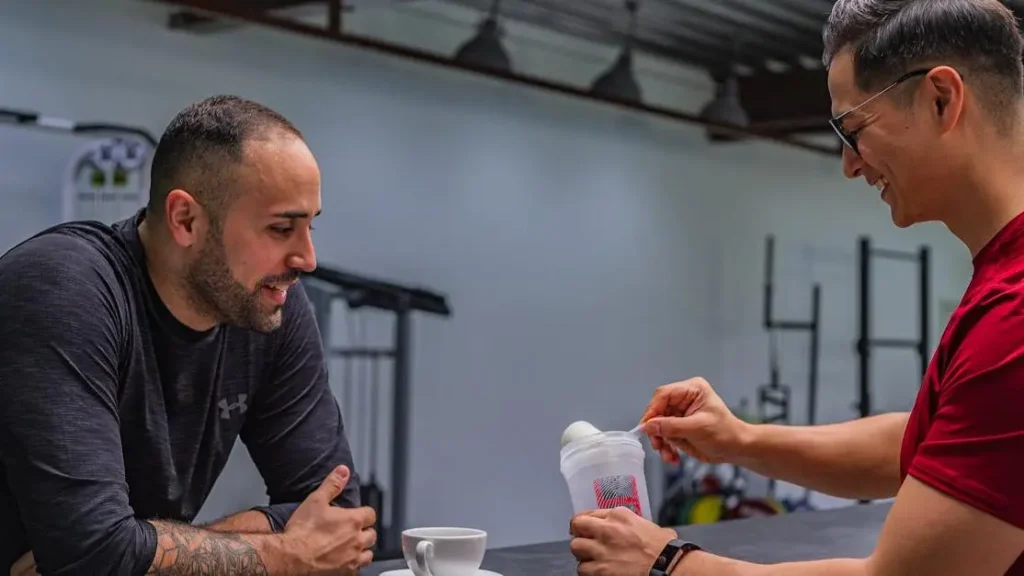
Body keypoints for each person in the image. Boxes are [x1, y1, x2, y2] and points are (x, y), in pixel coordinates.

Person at [570, 0, 1024, 574]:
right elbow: (925, 442)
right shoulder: (1003, 283)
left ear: (941, 99)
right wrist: (739, 439)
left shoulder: (1014, 317)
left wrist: (666, 562)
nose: (849, 165)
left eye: (853, 128)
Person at [0, 95, 377, 575]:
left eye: (310, 227)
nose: (307, 259)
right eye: (282, 228)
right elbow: (95, 557)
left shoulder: (267, 303)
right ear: (186, 220)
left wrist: (133, 554)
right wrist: (287, 555)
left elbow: (338, 514)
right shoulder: (61, 289)